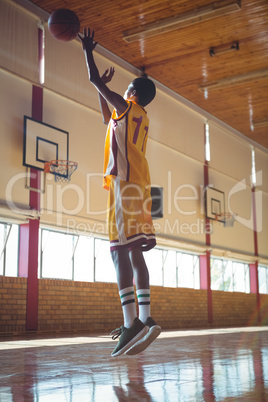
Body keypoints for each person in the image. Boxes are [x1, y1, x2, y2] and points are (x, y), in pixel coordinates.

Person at [79, 28, 161, 357]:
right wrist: (104, 89)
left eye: (125, 89)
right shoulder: (137, 115)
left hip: (124, 186)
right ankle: (144, 318)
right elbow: (105, 115)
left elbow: (93, 81)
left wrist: (88, 52)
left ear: (132, 93)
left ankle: (130, 325)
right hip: (142, 188)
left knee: (117, 252)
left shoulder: (128, 108)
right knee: (134, 252)